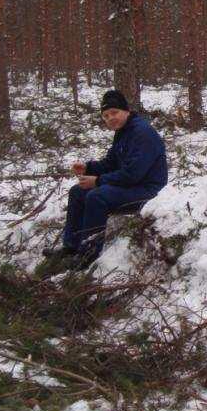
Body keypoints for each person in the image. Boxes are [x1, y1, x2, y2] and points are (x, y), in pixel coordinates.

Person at [37, 90, 168, 275]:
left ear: (125, 111)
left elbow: (133, 174)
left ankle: (88, 254)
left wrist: (98, 181)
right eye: (106, 116)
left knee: (97, 196)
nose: (110, 118)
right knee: (77, 192)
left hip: (149, 191)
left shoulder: (142, 133)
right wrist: (88, 168)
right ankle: (71, 247)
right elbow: (111, 163)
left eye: (114, 112)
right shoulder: (122, 132)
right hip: (130, 186)